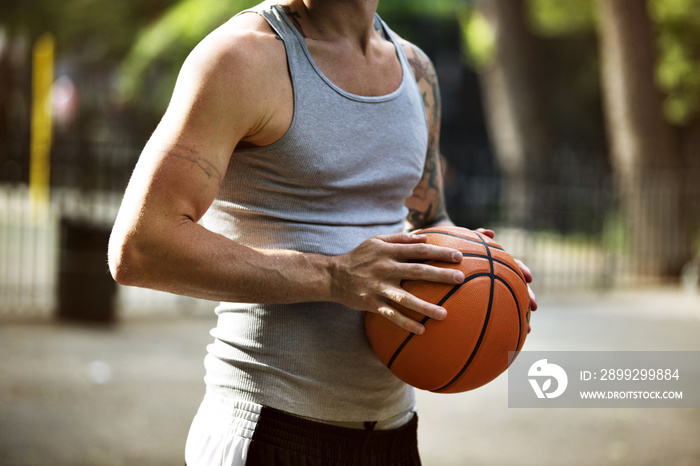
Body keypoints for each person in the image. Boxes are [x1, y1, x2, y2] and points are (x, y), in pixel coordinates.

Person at [108, 1, 537, 464]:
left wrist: (482, 266)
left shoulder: (415, 69)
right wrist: (333, 277)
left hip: (393, 432)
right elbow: (140, 246)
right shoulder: (242, 58)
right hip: (268, 427)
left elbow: (429, 219)